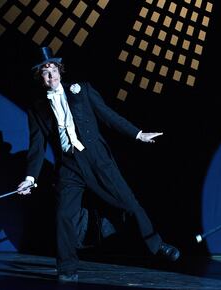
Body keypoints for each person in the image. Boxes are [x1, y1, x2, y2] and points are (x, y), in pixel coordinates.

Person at [16, 47, 180, 283]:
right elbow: (36, 146)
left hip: (97, 160)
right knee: (63, 215)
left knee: (129, 204)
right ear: (40, 78)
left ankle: (158, 245)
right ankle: (67, 268)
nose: (50, 75)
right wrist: (30, 179)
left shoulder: (82, 90)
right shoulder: (37, 108)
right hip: (69, 165)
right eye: (45, 72)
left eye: (53, 69)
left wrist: (138, 134)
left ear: (60, 71)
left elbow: (108, 115)